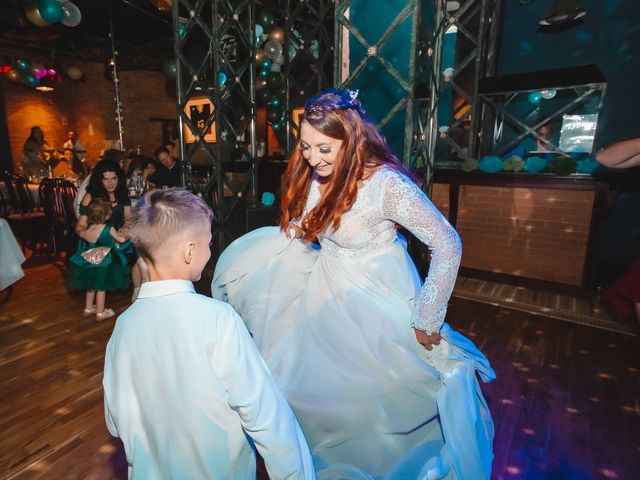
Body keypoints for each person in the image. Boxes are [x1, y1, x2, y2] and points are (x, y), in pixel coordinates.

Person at [212, 89, 495, 479]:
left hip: (377, 296)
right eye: (306, 147)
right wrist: (288, 237)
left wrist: (428, 313)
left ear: (353, 138)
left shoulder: (387, 185)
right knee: (316, 391)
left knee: (379, 399)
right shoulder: (321, 172)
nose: (313, 158)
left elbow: (447, 242)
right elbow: (314, 219)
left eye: (324, 148)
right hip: (326, 292)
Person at [103, 188, 315, 479]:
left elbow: (114, 421)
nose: (210, 251)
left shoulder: (123, 326)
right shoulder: (219, 319)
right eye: (208, 244)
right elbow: (266, 415)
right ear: (190, 250)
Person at [75, 154, 148, 300]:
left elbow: (128, 218)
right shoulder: (90, 196)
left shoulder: (122, 193)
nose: (110, 183)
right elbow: (81, 225)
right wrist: (83, 234)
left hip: (117, 234)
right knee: (134, 248)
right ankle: (141, 289)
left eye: (113, 178)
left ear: (118, 178)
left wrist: (127, 226)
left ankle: (140, 291)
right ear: (99, 179)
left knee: (140, 244)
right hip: (99, 239)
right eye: (106, 179)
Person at [68, 198, 131, 321]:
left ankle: (88, 308)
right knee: (101, 287)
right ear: (107, 215)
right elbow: (121, 240)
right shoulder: (108, 228)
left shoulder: (90, 228)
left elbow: (85, 236)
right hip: (104, 262)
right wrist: (129, 234)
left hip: (89, 260)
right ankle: (101, 313)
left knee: (91, 285)